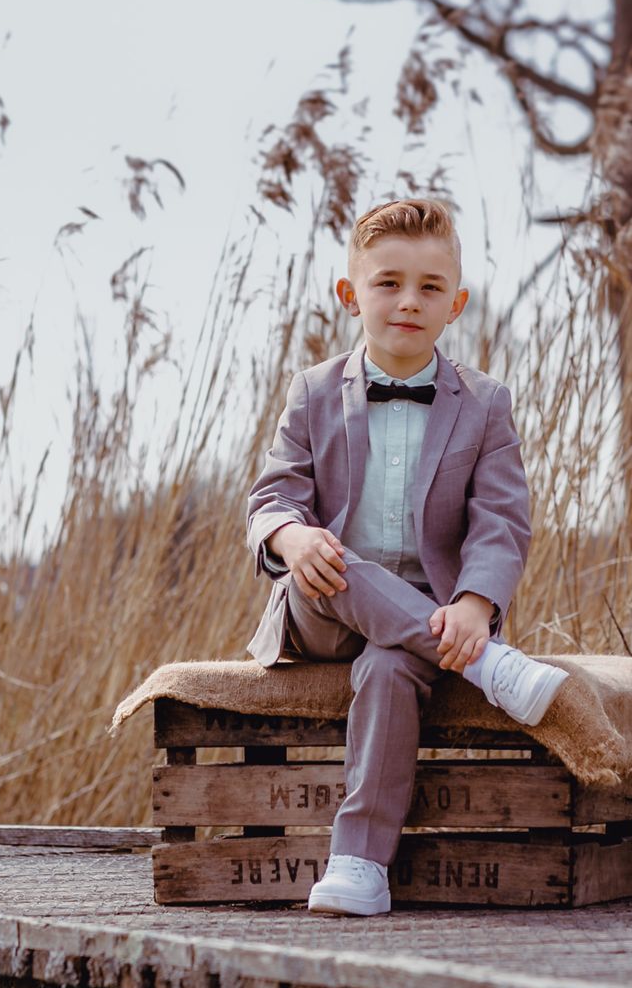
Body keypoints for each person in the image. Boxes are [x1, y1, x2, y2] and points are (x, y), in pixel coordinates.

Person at [244, 197, 569, 917]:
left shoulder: (484, 404)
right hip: (323, 599)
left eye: (429, 288)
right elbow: (271, 498)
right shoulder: (312, 392)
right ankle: (489, 669)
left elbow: (501, 519)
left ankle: (359, 864)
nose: (407, 302)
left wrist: (477, 607)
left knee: (391, 667)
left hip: (435, 611)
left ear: (455, 303)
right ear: (350, 294)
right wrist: (292, 539)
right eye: (388, 283)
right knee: (335, 556)